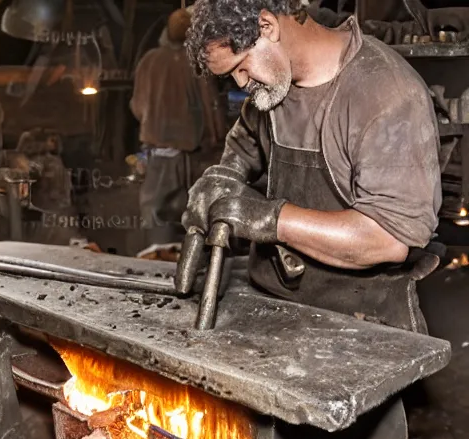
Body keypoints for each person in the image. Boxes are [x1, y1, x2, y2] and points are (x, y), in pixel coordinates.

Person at [176, 0, 443, 333]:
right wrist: (220, 179)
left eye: (241, 65)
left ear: (266, 26)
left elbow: (387, 239)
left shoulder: (386, 93)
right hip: (274, 305)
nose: (241, 82)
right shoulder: (272, 90)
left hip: (363, 323)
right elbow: (242, 150)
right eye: (231, 75)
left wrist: (270, 219)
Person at [130, 7, 227, 247]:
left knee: (155, 214)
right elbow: (210, 104)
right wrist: (217, 137)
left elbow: (137, 106)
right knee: (195, 215)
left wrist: (153, 124)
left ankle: (156, 263)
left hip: (158, 152)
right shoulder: (196, 62)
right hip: (192, 155)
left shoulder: (149, 60)